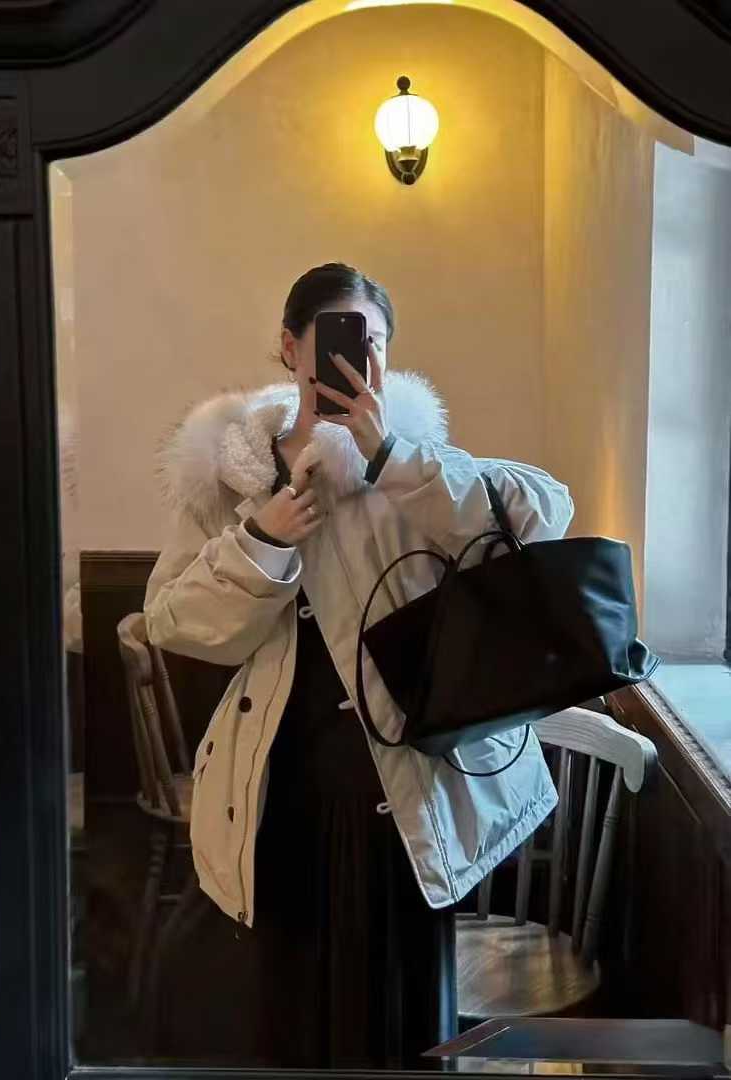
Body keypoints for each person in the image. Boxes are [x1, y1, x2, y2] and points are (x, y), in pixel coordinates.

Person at [142, 262, 574, 1068]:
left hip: (406, 788)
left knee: (402, 1018)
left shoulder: (411, 463)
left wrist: (393, 458)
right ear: (289, 347)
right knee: (292, 1013)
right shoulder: (233, 481)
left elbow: (543, 512)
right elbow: (172, 620)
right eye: (337, 337)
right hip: (283, 790)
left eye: (372, 341)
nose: (357, 358)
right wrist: (263, 538)